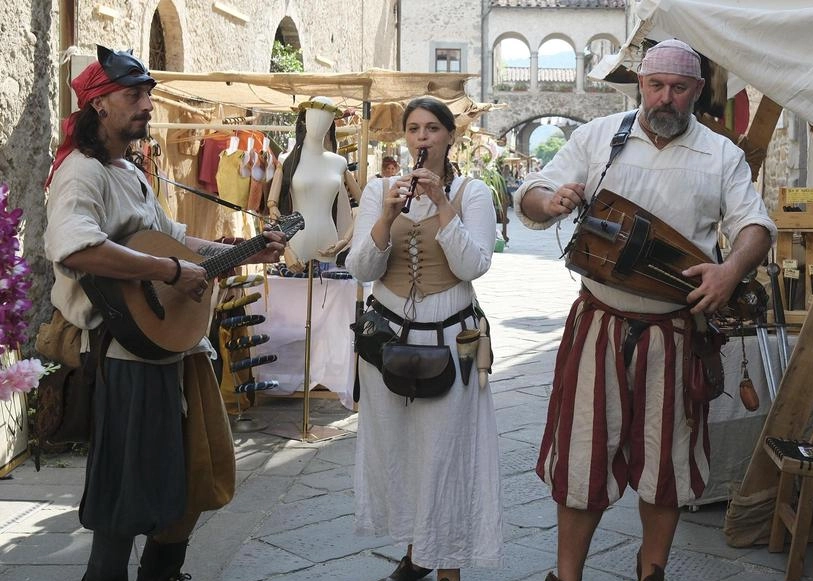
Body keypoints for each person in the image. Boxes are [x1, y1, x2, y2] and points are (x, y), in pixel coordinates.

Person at [513, 39, 776, 581]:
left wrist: (730, 271)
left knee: (668, 463)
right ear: (641, 85)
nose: (666, 98)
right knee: (583, 453)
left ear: (697, 92)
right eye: (656, 86)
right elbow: (531, 194)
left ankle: (651, 572)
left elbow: (755, 225)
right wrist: (552, 199)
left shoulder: (721, 153)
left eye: (679, 89)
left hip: (675, 333)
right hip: (599, 324)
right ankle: (567, 575)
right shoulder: (598, 136)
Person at [43, 45, 286, 581]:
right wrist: (168, 272)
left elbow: (175, 242)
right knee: (128, 484)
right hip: (125, 352)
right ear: (99, 105)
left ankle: (162, 572)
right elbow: (75, 247)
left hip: (169, 350)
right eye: (134, 95)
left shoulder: (129, 171)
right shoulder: (82, 173)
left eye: (148, 95)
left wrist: (235, 249)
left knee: (191, 473)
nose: (147, 105)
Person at [346, 97, 502, 581]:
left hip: (451, 337)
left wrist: (440, 204)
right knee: (400, 451)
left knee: (445, 456)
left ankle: (447, 567)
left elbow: (473, 266)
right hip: (388, 340)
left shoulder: (473, 193)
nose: (422, 138)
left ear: (450, 137)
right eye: (414, 129)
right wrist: (386, 218)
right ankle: (417, 553)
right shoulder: (378, 190)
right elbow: (360, 269)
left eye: (432, 129)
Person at [267, 96, 358, 264]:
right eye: (314, 116)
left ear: (331, 122)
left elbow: (365, 205)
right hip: (297, 241)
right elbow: (273, 209)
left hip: (329, 239)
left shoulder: (339, 163)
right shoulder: (286, 161)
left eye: (325, 118)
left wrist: (344, 240)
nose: (318, 123)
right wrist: (286, 249)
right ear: (304, 118)